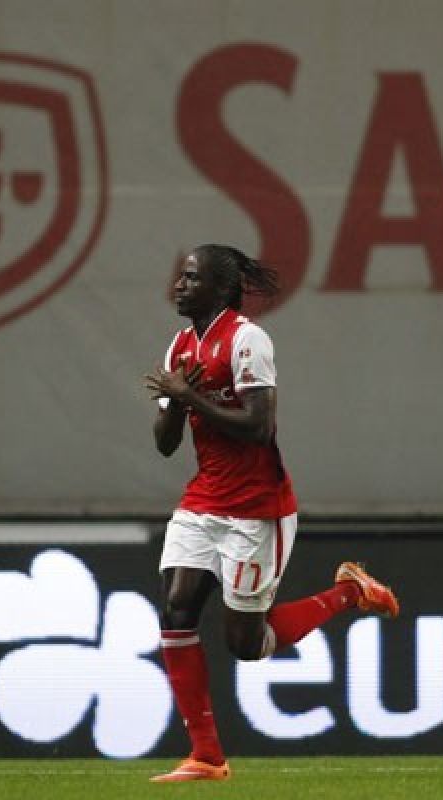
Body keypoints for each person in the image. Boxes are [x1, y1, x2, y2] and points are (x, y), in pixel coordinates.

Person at [143, 244, 399, 783]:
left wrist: (190, 393)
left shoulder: (247, 339)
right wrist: (177, 400)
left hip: (257, 508)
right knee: (176, 607)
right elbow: (166, 444)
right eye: (180, 275)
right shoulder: (180, 346)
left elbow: (258, 426)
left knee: (246, 645)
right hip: (203, 500)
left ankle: (350, 591)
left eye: (191, 277)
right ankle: (207, 756)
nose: (180, 285)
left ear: (219, 287)